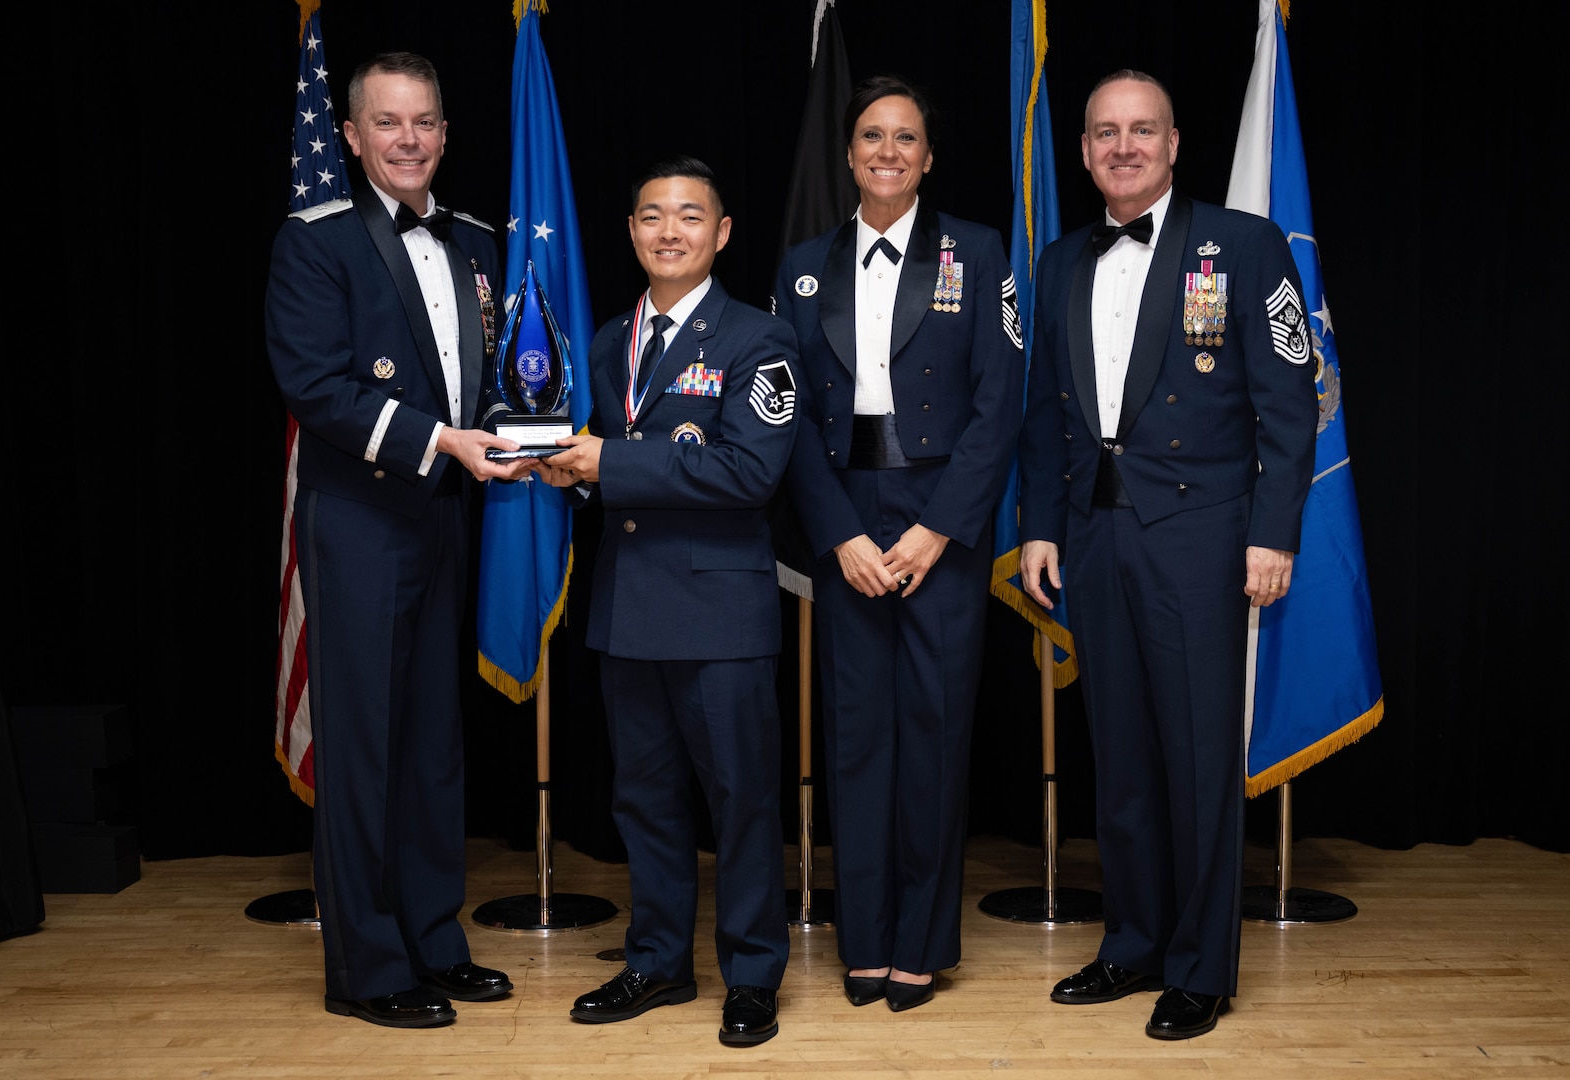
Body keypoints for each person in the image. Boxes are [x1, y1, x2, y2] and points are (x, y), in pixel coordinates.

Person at [1016, 70, 1317, 1040]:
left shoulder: (1244, 244)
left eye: (1142, 130)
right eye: (1105, 132)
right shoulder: (1062, 260)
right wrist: (1042, 525)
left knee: (1193, 759)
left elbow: (1288, 400)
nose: (1124, 146)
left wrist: (1273, 533)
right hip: (1095, 537)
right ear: (1085, 149)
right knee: (1125, 759)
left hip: (1202, 536)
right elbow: (1049, 417)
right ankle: (1132, 944)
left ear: (1176, 142)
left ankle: (1200, 967)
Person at [264, 51, 537, 1029]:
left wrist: (524, 430)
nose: (409, 139)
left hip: (446, 521)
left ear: (445, 132)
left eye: (424, 122)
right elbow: (316, 386)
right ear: (350, 135)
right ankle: (368, 968)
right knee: (363, 751)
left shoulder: (474, 241)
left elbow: (497, 369)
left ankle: (433, 939)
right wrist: (442, 441)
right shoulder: (315, 241)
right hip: (361, 523)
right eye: (389, 123)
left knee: (432, 746)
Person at [772, 75, 1025, 1012]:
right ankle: (865, 940)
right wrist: (836, 533)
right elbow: (782, 416)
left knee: (935, 734)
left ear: (928, 156)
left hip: (940, 518)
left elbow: (1000, 408)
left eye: (905, 138)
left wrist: (938, 530)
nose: (887, 151)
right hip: (844, 514)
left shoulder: (979, 251)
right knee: (855, 741)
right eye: (871, 136)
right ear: (848, 153)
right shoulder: (802, 266)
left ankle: (922, 941)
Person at [535, 156, 797, 1047]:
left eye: (690, 217)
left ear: (721, 235)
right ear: (633, 231)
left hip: (721, 616)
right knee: (643, 802)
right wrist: (556, 468)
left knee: (743, 803)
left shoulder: (758, 338)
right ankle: (656, 963)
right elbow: (607, 469)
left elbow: (749, 472)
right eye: (652, 216)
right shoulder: (607, 341)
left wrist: (606, 461)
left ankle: (753, 977)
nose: (669, 232)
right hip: (630, 606)